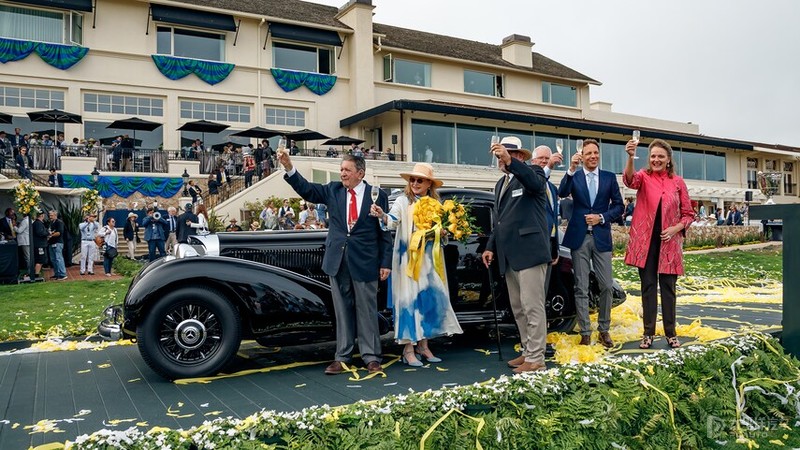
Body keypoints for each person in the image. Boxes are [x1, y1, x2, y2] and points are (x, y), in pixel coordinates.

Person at [278, 151, 392, 375]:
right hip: (337, 261)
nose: (342, 174)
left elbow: (384, 231)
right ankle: (342, 356)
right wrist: (289, 167)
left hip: (365, 261)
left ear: (360, 173)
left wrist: (385, 262)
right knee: (342, 310)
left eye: (347, 170)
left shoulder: (377, 194)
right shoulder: (333, 190)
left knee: (367, 311)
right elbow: (306, 188)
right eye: (341, 170)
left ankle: (371, 357)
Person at [371, 163, 463, 366]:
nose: (414, 183)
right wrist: (382, 215)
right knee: (409, 302)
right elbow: (392, 220)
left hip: (430, 262)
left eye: (419, 180)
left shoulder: (437, 205)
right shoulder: (403, 201)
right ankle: (408, 349)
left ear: (429, 183)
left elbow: (442, 233)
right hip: (408, 261)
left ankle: (424, 345)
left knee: (427, 301)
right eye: (412, 179)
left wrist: (444, 232)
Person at [480, 137, 551, 373]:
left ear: (520, 156)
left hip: (530, 252)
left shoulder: (534, 172)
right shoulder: (501, 184)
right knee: (519, 307)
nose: (502, 157)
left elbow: (535, 184)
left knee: (533, 306)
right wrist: (490, 245)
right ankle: (528, 350)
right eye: (501, 154)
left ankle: (536, 357)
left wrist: (511, 162)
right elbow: (500, 221)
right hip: (509, 255)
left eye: (509, 153)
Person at [623, 138, 695, 349]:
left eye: (660, 156)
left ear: (668, 159)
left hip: (669, 242)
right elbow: (629, 180)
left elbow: (689, 214)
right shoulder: (643, 177)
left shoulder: (678, 182)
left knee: (668, 288)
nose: (656, 160)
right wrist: (630, 157)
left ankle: (671, 333)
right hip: (646, 242)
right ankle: (648, 334)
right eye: (653, 156)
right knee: (648, 287)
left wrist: (675, 228)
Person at [557, 138, 624, 347]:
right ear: (582, 156)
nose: (593, 156)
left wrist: (601, 217)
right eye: (589, 153)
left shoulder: (609, 177)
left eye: (595, 152)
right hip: (579, 238)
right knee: (581, 287)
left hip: (601, 237)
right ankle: (585, 331)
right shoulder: (574, 177)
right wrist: (570, 169)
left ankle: (604, 329)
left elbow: (619, 206)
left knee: (605, 286)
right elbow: (561, 192)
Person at [531, 145, 563, 294]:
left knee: (544, 289)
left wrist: (555, 247)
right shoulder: (528, 182)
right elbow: (537, 183)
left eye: (547, 158)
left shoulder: (551, 187)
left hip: (549, 244)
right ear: (532, 161)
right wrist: (550, 165)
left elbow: (553, 219)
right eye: (541, 158)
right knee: (534, 291)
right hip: (535, 245)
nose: (544, 161)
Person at [47, 210, 67, 280]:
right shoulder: (51, 223)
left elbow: (59, 233)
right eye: (50, 215)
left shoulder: (59, 222)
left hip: (58, 243)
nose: (50, 217)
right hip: (51, 243)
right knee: (53, 259)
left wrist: (50, 235)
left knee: (58, 258)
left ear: (55, 215)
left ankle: (63, 274)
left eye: (51, 215)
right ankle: (57, 273)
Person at [32, 211, 48, 280]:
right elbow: (40, 233)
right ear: (42, 215)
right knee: (40, 259)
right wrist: (47, 233)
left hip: (40, 244)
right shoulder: (38, 223)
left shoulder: (37, 223)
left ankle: (36, 273)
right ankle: (36, 275)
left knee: (41, 259)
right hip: (39, 245)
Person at [14, 214, 31, 279]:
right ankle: (29, 271)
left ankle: (29, 272)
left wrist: (14, 226)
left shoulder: (25, 221)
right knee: (28, 257)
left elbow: (19, 230)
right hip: (27, 241)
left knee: (27, 257)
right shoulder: (29, 220)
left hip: (25, 241)